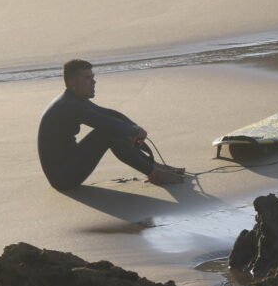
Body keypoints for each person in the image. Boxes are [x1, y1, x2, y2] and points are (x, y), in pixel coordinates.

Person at [38, 59, 186, 190]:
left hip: (69, 164)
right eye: (87, 78)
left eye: (93, 77)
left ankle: (155, 167)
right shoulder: (70, 105)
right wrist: (133, 130)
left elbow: (109, 114)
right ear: (72, 83)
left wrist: (134, 128)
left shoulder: (73, 99)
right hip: (63, 178)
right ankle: (154, 173)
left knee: (114, 129)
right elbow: (105, 123)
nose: (93, 81)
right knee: (107, 133)